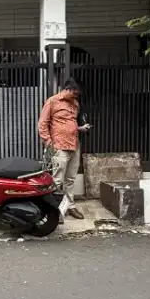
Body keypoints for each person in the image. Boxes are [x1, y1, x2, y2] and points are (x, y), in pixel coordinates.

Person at [38, 78, 90, 219]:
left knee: (70, 180)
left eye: (77, 94)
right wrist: (49, 143)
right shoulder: (53, 101)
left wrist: (80, 128)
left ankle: (70, 207)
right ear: (66, 89)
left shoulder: (75, 104)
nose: (76, 96)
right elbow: (42, 124)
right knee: (57, 181)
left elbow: (71, 123)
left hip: (74, 145)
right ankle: (54, 211)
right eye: (74, 93)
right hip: (59, 147)